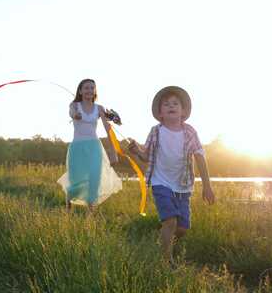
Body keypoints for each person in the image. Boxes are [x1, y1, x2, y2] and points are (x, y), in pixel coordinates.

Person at [128, 86, 215, 264]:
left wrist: (207, 186)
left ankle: (162, 238)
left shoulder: (189, 132)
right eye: (166, 104)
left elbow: (200, 157)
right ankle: (166, 262)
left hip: (183, 186)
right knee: (170, 221)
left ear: (183, 111)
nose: (171, 106)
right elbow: (146, 156)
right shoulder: (156, 131)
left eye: (175, 103)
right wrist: (136, 151)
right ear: (160, 113)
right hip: (161, 183)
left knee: (181, 228)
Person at [57, 79, 122, 211]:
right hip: (77, 147)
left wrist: (113, 151)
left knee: (94, 179)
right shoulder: (74, 105)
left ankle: (90, 216)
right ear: (80, 91)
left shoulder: (99, 108)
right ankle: (68, 209)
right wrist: (76, 115)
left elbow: (107, 128)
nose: (89, 90)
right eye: (86, 88)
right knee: (76, 181)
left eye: (92, 88)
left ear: (95, 91)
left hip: (94, 147)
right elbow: (72, 113)